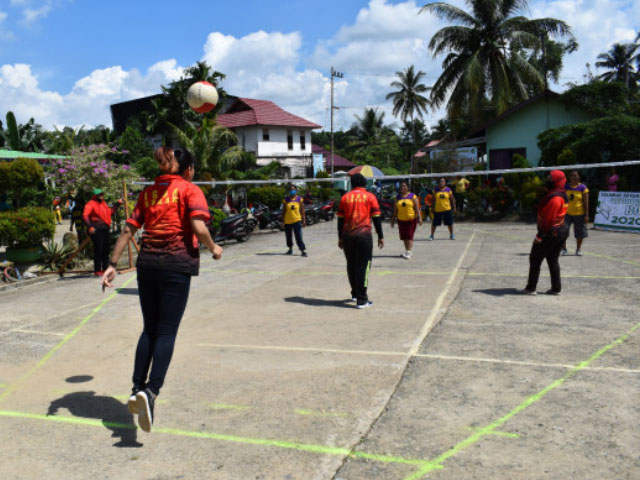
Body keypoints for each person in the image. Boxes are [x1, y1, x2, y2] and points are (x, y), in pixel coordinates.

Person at [101, 147, 223, 433]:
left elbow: (128, 230)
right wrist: (214, 248)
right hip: (175, 265)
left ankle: (137, 388)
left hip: (147, 265)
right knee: (167, 331)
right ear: (188, 169)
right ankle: (151, 392)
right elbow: (198, 227)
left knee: (150, 329)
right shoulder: (190, 190)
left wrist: (112, 265)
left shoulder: (148, 193)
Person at [337, 173, 384, 308]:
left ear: (352, 183)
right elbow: (376, 218)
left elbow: (340, 220)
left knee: (351, 265)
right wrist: (380, 236)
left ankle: (355, 294)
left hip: (348, 236)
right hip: (364, 236)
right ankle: (362, 300)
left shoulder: (345, 198)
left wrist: (340, 237)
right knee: (364, 266)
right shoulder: (370, 197)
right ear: (364, 183)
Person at [521, 170, 569, 295]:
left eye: (550, 179)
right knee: (552, 259)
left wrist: (540, 236)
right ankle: (556, 288)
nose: (547, 181)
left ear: (557, 181)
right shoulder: (561, 194)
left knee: (535, 258)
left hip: (552, 231)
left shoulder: (555, 198)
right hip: (561, 229)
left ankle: (531, 288)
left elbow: (549, 220)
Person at [83, 188, 122, 276]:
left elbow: (110, 212)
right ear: (95, 196)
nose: (101, 196)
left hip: (105, 229)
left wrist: (118, 203)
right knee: (98, 250)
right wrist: (90, 227)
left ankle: (105, 268)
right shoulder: (90, 204)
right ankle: (97, 270)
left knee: (106, 249)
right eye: (99, 194)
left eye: (102, 194)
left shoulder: (103, 204)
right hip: (96, 229)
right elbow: (85, 215)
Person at [390, 180, 422, 259]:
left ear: (408, 187)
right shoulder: (397, 197)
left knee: (409, 235)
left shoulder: (413, 196)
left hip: (411, 219)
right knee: (404, 236)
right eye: (401, 186)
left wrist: (420, 218)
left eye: (404, 186)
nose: (403, 187)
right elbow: (395, 210)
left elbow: (417, 208)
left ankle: (409, 251)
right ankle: (407, 251)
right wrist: (393, 220)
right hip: (401, 220)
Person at [562, 170, 589, 256]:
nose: (573, 177)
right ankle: (564, 249)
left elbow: (586, 202)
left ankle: (578, 249)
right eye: (572, 176)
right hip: (566, 214)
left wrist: (586, 215)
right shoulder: (565, 187)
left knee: (580, 233)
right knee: (563, 232)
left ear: (579, 177)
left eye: (575, 175)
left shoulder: (583, 188)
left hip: (579, 213)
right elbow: (561, 200)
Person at [281, 184, 307, 257]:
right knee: (288, 237)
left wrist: (304, 220)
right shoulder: (286, 200)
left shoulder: (299, 199)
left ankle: (302, 250)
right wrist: (282, 221)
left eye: (293, 189)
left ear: (296, 190)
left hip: (297, 220)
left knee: (298, 236)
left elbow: (302, 210)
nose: (292, 191)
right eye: (290, 190)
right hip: (288, 221)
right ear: (289, 191)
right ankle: (290, 249)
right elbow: (283, 211)